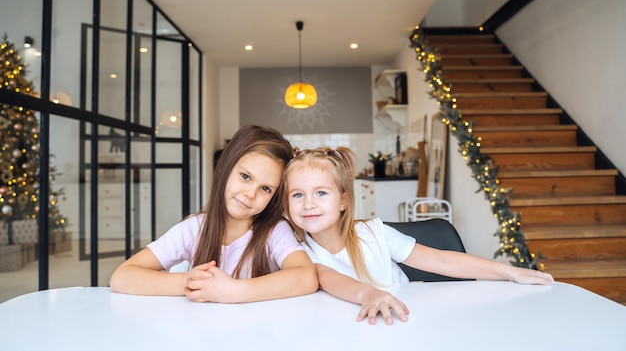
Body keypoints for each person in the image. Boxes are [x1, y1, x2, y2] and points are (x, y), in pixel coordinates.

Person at [283, 146, 554, 325]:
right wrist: (369, 295)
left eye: (321, 193)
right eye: (297, 195)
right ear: (286, 203)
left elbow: (444, 261)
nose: (308, 203)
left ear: (343, 200)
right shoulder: (296, 251)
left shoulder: (374, 234)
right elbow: (329, 279)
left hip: (403, 320)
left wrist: (511, 272)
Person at [110, 124, 318, 303]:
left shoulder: (274, 231)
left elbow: (306, 276)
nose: (250, 194)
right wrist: (191, 282)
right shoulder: (194, 228)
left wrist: (233, 291)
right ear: (225, 168)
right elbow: (122, 276)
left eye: (265, 189)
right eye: (245, 176)